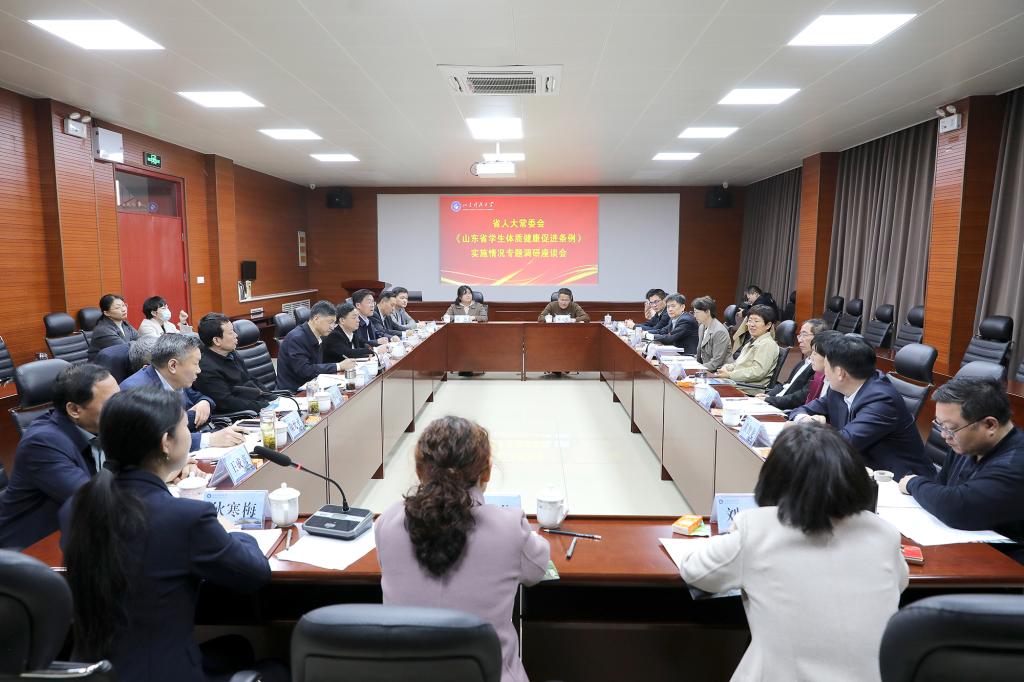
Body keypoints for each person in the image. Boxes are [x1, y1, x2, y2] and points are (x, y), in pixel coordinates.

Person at [60, 388, 277, 682]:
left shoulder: (76, 506)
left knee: (236, 647)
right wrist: (230, 528)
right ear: (166, 443)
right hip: (160, 672)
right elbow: (255, 574)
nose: (190, 434)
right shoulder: (185, 517)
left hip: (99, 672)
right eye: (186, 427)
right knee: (277, 669)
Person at [679, 422, 907, 682]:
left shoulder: (757, 528)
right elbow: (900, 583)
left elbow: (695, 572)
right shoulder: (884, 532)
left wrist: (733, 538)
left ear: (773, 480)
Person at [375, 416, 550, 682]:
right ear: (486, 472)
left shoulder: (388, 523)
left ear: (420, 470)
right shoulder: (509, 527)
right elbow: (537, 570)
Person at [899, 377, 1024, 559]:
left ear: (990, 425)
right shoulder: (965, 445)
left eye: (950, 428)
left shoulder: (1016, 463)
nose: (944, 435)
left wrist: (913, 483)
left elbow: (956, 507)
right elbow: (941, 487)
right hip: (960, 546)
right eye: (940, 425)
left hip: (1004, 564)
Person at [0, 364, 119, 549]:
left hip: (81, 530)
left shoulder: (100, 425)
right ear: (74, 410)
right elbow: (92, 500)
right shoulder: (42, 443)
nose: (120, 406)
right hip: (33, 548)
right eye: (111, 402)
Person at [789, 334, 932, 478]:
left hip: (901, 483)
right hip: (860, 471)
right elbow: (801, 410)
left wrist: (808, 429)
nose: (824, 372)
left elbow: (844, 443)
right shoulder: (839, 389)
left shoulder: (882, 400)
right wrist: (804, 420)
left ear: (840, 373)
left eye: (826, 366)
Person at [120, 334, 247, 451]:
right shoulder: (136, 392)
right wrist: (209, 439)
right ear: (173, 366)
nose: (199, 370)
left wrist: (205, 402)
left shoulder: (175, 378)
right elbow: (155, 442)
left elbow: (199, 397)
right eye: (196, 364)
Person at [194, 313, 271, 415]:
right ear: (216, 340)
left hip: (255, 405)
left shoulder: (232, 353)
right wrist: (267, 406)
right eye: (231, 333)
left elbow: (249, 379)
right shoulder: (206, 368)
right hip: (238, 415)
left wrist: (273, 398)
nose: (236, 335)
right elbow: (228, 403)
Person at [276, 299, 356, 391]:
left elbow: (318, 365)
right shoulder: (296, 338)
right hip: (293, 392)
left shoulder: (319, 336)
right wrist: (339, 366)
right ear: (316, 319)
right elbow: (304, 370)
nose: (332, 327)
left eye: (334, 323)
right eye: (330, 322)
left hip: (312, 385)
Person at [762, 318, 828, 410]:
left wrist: (769, 400)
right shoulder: (803, 362)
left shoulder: (817, 368)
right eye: (799, 335)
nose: (799, 340)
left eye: (804, 335)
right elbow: (785, 384)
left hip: (785, 409)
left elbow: (801, 397)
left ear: (818, 338)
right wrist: (768, 395)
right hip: (774, 403)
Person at [716, 304, 780, 394]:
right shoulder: (752, 340)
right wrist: (726, 368)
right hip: (738, 383)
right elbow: (738, 364)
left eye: (756, 321)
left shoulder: (767, 344)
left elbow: (758, 372)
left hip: (748, 389)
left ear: (768, 325)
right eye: (749, 321)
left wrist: (730, 375)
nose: (751, 325)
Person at [89, 293, 139, 360]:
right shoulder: (103, 330)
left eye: (123, 305)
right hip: (103, 365)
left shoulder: (125, 324)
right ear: (107, 313)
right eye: (118, 308)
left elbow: (141, 341)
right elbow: (126, 350)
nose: (124, 309)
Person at [691, 295, 730, 371]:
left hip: (719, 371)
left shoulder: (719, 331)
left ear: (708, 312)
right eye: (694, 312)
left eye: (697, 312)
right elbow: (701, 354)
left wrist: (696, 369)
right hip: (705, 368)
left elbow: (716, 362)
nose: (694, 316)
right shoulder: (702, 327)